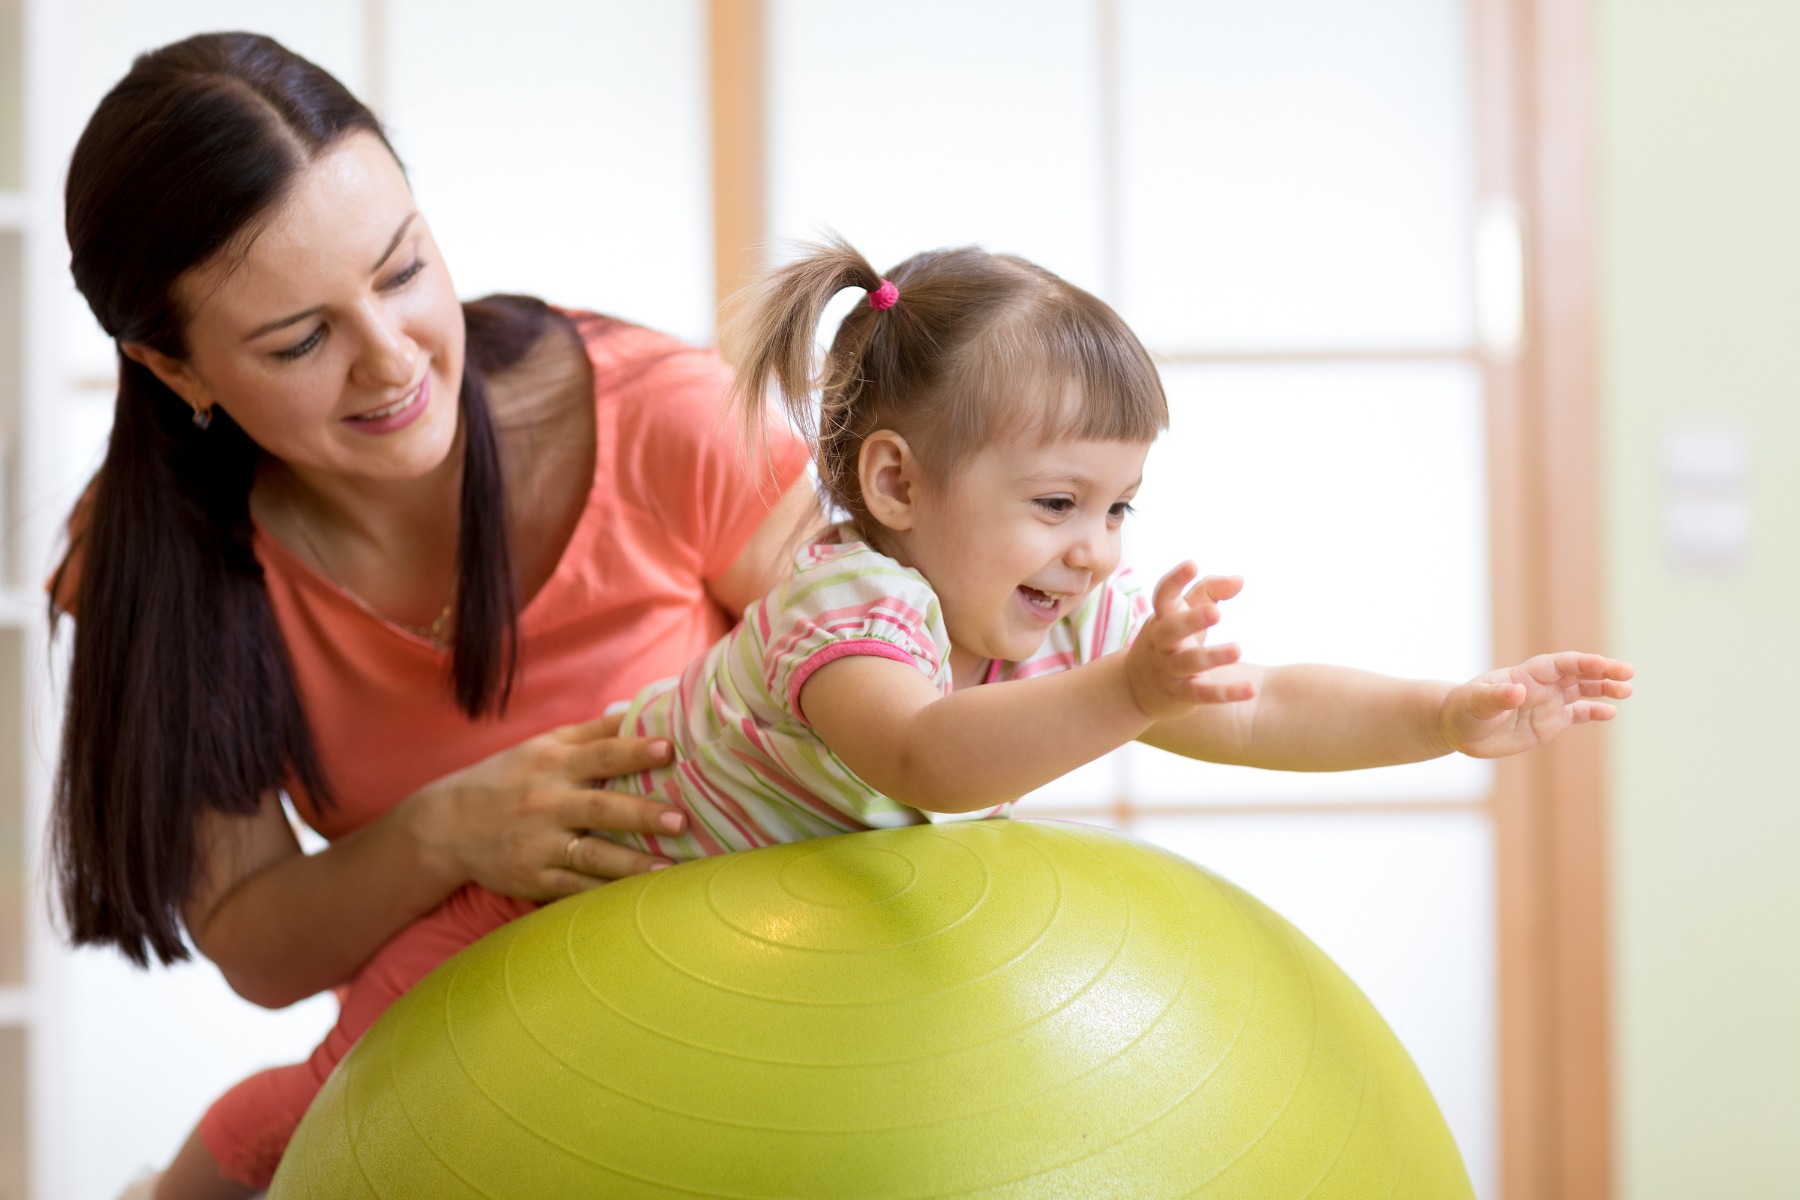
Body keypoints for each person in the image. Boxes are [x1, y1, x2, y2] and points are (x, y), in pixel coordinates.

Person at [193, 234, 1636, 1188]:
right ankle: (190, 1174)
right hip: (545, 902)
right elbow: (930, 763)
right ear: (897, 490)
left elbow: (1257, 709)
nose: (1097, 550)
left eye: (1123, 506)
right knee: (327, 1103)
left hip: (730, 957)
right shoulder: (848, 609)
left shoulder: (1059, 614)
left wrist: (1446, 712)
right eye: (1058, 504)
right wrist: (1128, 693)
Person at [49, 33, 814, 1200]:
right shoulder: (156, 558)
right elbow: (253, 939)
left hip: (738, 1028)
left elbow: (889, 683)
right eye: (300, 339)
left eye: (403, 270)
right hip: (441, 1088)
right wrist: (446, 833)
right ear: (176, 370)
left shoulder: (671, 420)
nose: (392, 359)